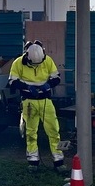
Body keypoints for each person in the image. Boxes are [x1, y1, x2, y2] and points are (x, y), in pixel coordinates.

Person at [8, 40, 67, 173]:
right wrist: (27, 87)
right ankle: (33, 162)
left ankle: (59, 161)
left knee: (54, 131)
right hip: (29, 101)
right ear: (27, 56)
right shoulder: (18, 63)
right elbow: (12, 82)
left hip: (46, 100)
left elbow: (56, 78)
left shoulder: (47, 60)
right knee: (30, 132)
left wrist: (48, 85)